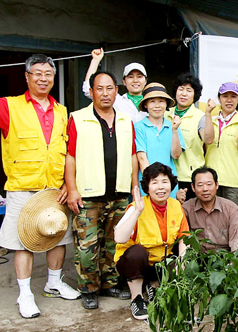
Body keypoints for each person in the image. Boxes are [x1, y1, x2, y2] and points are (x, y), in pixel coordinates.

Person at [0, 55, 80, 318]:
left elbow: (68, 152)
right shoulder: (10, 106)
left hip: (54, 190)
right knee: (23, 243)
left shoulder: (62, 111)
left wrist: (69, 185)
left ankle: (54, 284)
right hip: (23, 188)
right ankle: (25, 294)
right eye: (38, 73)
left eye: (48, 74)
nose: (43, 78)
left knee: (58, 238)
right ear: (27, 76)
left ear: (54, 78)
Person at [65, 71, 138, 309]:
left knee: (113, 244)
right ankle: (88, 288)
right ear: (92, 91)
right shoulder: (78, 118)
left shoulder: (126, 120)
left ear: (116, 91)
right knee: (87, 247)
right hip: (88, 195)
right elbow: (70, 156)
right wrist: (72, 188)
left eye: (109, 88)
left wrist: (134, 186)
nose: (105, 93)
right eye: (100, 88)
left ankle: (110, 284)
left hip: (118, 193)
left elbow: (132, 155)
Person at [114, 162, 189, 320]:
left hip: (161, 262)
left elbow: (184, 237)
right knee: (137, 252)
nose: (160, 187)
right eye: (154, 182)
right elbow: (119, 238)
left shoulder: (176, 206)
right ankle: (137, 298)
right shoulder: (137, 206)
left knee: (177, 255)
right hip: (134, 263)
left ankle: (154, 285)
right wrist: (137, 212)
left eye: (164, 182)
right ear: (147, 187)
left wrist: (181, 265)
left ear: (171, 184)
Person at [167, 73, 214, 201]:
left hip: (189, 177)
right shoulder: (165, 114)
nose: (184, 94)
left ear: (195, 95)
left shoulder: (200, 117)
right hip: (166, 176)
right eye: (181, 89)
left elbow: (208, 139)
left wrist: (209, 114)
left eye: (189, 90)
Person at [205, 82, 238, 210]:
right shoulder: (211, 120)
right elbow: (208, 140)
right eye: (225, 96)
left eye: (233, 96)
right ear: (219, 98)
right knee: (211, 221)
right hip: (211, 181)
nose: (229, 100)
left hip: (234, 182)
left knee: (233, 224)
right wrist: (208, 114)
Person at [135, 82, 185, 199]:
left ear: (166, 104)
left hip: (168, 185)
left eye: (161, 101)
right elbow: (142, 159)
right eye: (152, 101)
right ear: (146, 104)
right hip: (148, 185)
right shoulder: (139, 127)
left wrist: (174, 130)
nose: (157, 105)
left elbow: (176, 155)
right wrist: (153, 184)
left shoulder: (173, 126)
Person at [182, 167, 238, 253]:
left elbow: (237, 245)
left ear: (217, 185)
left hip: (224, 259)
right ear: (193, 187)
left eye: (209, 184)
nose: (205, 189)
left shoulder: (231, 209)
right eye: (200, 185)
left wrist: (231, 265)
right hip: (196, 258)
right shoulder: (186, 208)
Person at [83, 48, 148, 123]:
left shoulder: (152, 102)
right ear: (124, 81)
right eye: (130, 77)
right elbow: (87, 89)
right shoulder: (117, 101)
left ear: (145, 81)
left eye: (139, 76)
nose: (135, 80)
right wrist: (95, 60)